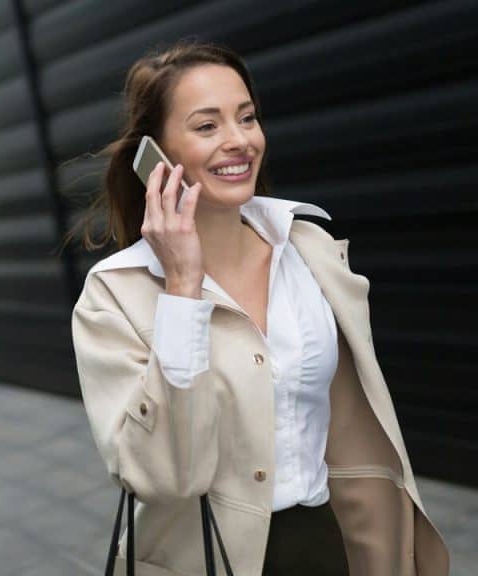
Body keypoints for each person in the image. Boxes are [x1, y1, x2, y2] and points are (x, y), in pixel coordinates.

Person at [68, 41, 450, 575]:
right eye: (206, 126)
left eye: (246, 118)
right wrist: (181, 286)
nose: (239, 141)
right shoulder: (115, 296)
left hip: (330, 538)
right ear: (157, 155)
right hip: (206, 553)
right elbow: (163, 478)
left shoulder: (309, 250)